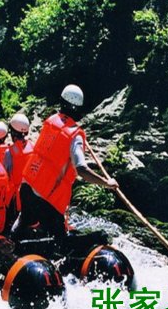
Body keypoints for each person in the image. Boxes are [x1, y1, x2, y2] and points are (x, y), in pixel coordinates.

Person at [14, 84, 119, 240]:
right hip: (46, 198)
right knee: (60, 241)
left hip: (26, 187)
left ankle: (12, 242)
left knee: (24, 221)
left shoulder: (51, 121)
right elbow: (81, 169)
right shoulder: (75, 136)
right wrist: (106, 183)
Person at [3, 113, 34, 229]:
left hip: (17, 197)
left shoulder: (9, 152)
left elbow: (5, 174)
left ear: (12, 133)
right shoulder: (33, 146)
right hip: (33, 193)